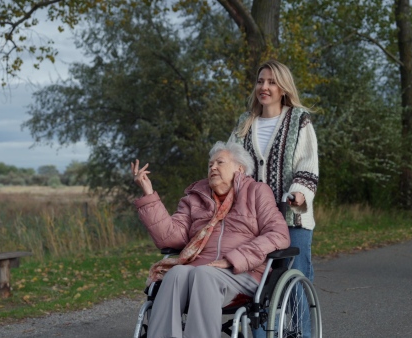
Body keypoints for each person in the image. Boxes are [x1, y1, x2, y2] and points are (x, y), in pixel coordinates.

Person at [131, 141, 290, 338]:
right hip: (199, 270)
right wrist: (149, 195)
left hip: (242, 272)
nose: (212, 167)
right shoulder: (195, 198)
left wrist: (233, 259)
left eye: (219, 162)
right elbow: (170, 238)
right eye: (210, 164)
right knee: (176, 273)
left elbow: (279, 235)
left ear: (240, 168)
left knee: (204, 275)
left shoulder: (257, 192)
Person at [228, 59, 319, 337]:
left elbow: (308, 166)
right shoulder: (245, 123)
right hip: (253, 222)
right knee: (258, 288)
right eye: (260, 81)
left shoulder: (298, 119)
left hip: (292, 219)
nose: (264, 87)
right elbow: (230, 163)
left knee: (294, 286)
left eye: (271, 82)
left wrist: (297, 194)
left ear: (283, 88)